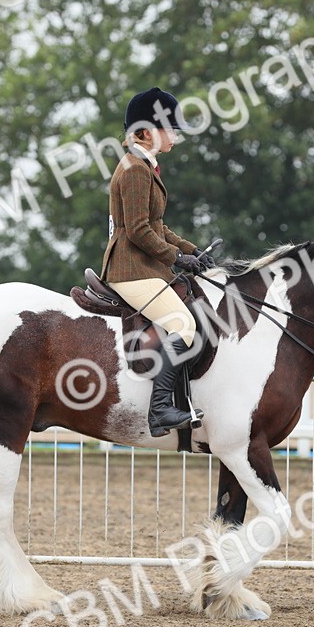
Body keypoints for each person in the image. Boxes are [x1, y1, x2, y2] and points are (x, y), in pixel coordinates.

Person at [102, 87, 216, 437]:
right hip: (131, 269)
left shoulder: (143, 166)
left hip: (143, 266)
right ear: (147, 131)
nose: (176, 139)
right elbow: (137, 231)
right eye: (171, 130)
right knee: (184, 325)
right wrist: (176, 258)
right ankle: (161, 409)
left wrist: (193, 251)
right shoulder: (135, 169)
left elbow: (157, 227)